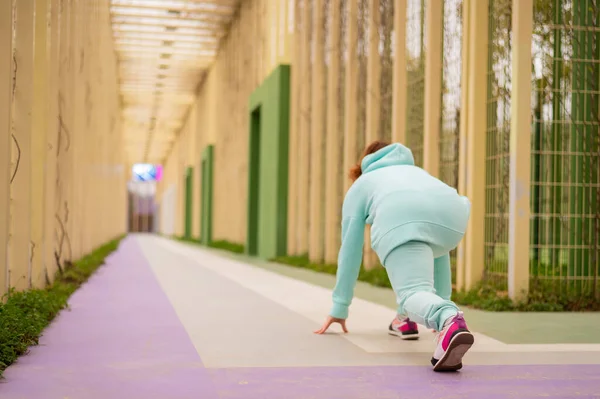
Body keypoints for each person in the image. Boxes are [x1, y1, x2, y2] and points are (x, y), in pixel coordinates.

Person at [314, 141, 474, 372]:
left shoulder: (363, 184)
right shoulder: (417, 173)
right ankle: (406, 320)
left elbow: (350, 251)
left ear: (364, 162)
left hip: (401, 217)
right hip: (454, 216)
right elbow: (438, 253)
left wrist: (339, 307)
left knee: (412, 292)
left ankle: (447, 318)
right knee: (430, 253)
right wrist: (442, 296)